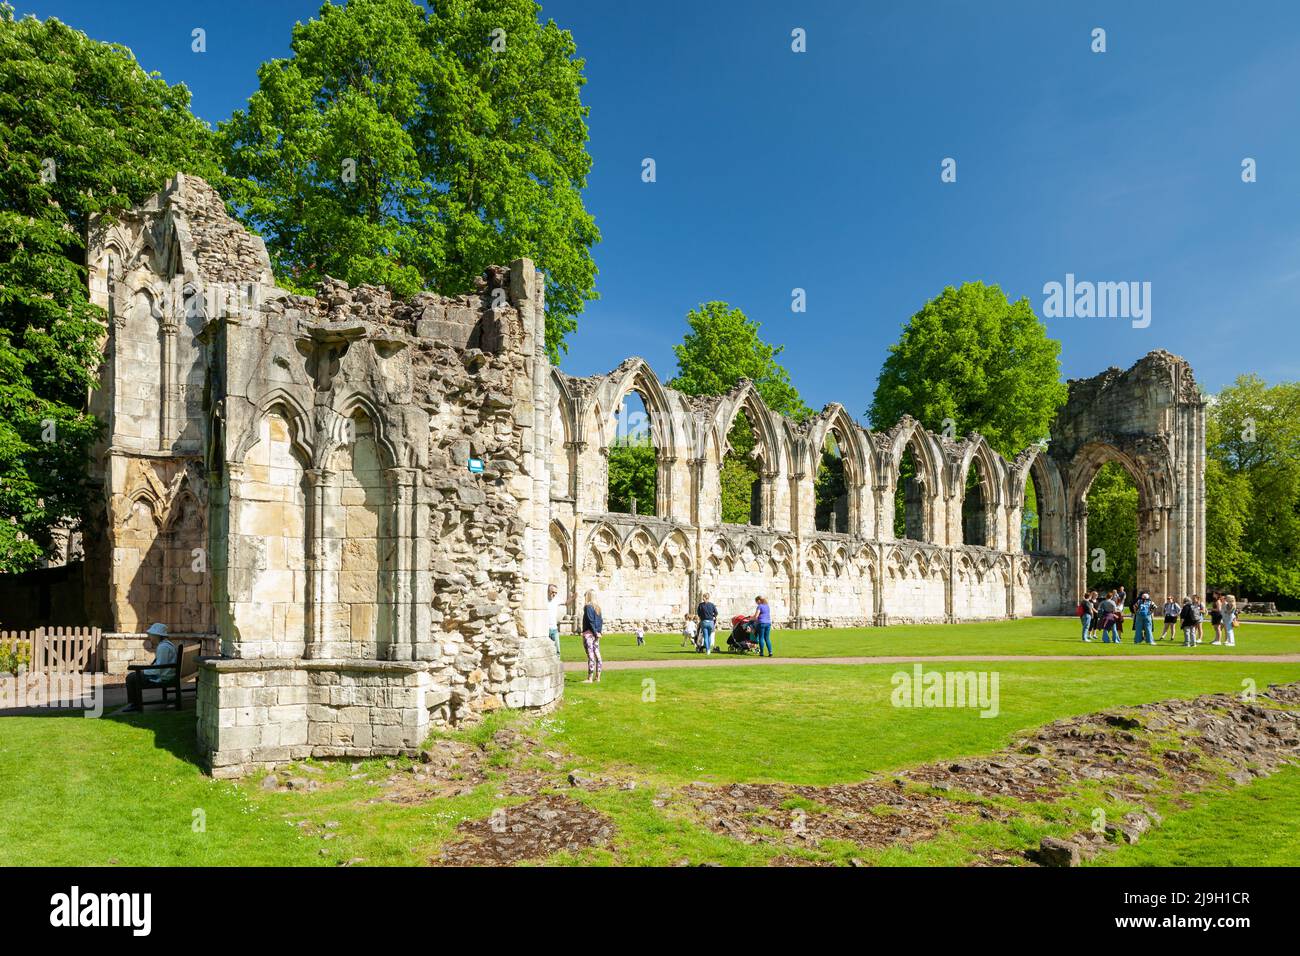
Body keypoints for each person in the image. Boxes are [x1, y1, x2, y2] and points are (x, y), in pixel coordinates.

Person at [122, 622, 178, 713]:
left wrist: (144, 672)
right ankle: (134, 704)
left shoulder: (163, 647)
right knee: (134, 675)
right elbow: (161, 666)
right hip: (168, 673)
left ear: (157, 636)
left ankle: (135, 704)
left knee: (131, 677)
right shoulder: (166, 645)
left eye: (151, 635)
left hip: (164, 677)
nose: (150, 637)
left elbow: (159, 669)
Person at [581, 590, 603, 683]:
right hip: (595, 634)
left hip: (589, 634)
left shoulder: (588, 607)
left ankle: (590, 678)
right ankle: (598, 677)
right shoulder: (598, 608)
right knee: (597, 655)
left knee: (590, 655)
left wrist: (594, 632)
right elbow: (600, 621)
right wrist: (598, 632)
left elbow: (590, 621)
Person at [546, 584, 564, 656]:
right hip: (545, 629)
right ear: (548, 591)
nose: (554, 594)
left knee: (557, 650)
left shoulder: (556, 600)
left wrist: (574, 597)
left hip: (554, 629)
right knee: (546, 650)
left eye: (556, 592)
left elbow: (566, 603)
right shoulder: (543, 600)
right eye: (552, 592)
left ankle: (558, 665)